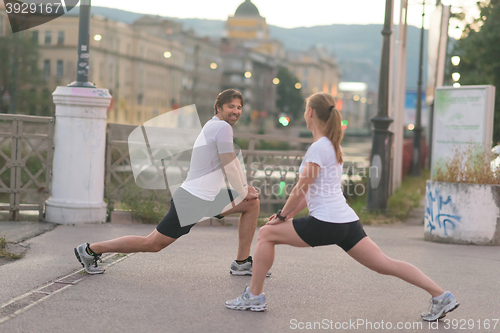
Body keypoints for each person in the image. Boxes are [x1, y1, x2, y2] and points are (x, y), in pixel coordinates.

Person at [225, 92, 459, 322]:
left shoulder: (318, 147)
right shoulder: (332, 146)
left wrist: (282, 214)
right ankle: (441, 295)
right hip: (347, 222)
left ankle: (254, 296)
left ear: (311, 112)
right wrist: (287, 216)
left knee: (266, 234)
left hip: (327, 222)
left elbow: (301, 187)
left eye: (305, 111)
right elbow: (311, 192)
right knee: (385, 264)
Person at [74, 89, 267, 277]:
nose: (236, 111)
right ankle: (90, 250)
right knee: (152, 244)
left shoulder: (215, 125)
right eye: (231, 106)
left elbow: (231, 161)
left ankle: (242, 263)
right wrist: (242, 190)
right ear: (218, 107)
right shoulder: (222, 127)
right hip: (194, 200)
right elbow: (229, 165)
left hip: (207, 196)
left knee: (252, 204)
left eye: (239, 107)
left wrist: (244, 189)